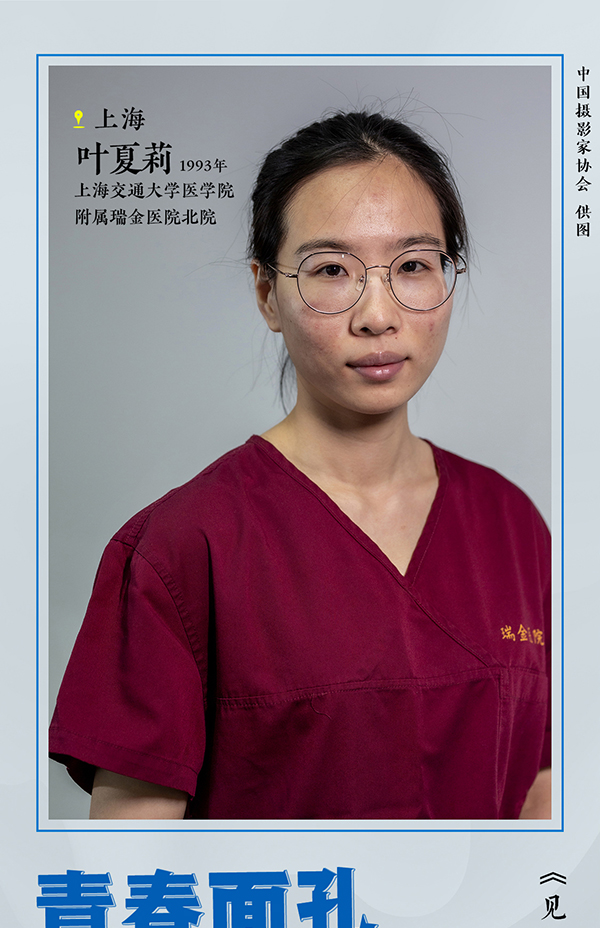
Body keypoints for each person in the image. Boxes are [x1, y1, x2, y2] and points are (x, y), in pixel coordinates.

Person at [49, 110, 551, 821]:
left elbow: (539, 789)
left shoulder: (513, 526)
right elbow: (130, 866)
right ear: (267, 294)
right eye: (331, 271)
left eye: (413, 265)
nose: (378, 315)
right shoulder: (180, 550)